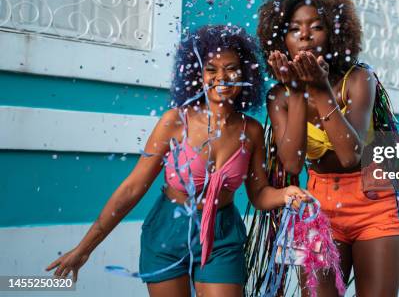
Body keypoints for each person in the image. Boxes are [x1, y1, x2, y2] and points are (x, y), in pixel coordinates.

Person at [45, 25, 310, 297]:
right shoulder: (175, 121)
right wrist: (84, 248)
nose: (222, 77)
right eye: (211, 69)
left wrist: (286, 194)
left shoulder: (250, 130)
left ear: (244, 74)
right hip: (167, 231)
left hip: (222, 234)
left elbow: (259, 195)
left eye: (231, 68)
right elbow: (132, 188)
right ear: (198, 73)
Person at [253, 0, 399, 296]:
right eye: (294, 29)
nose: (305, 35)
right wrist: (296, 92)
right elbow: (291, 163)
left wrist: (319, 91)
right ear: (281, 40)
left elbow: (350, 156)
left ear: (334, 35)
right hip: (319, 208)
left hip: (373, 203)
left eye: (316, 27)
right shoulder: (279, 97)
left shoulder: (360, 80)